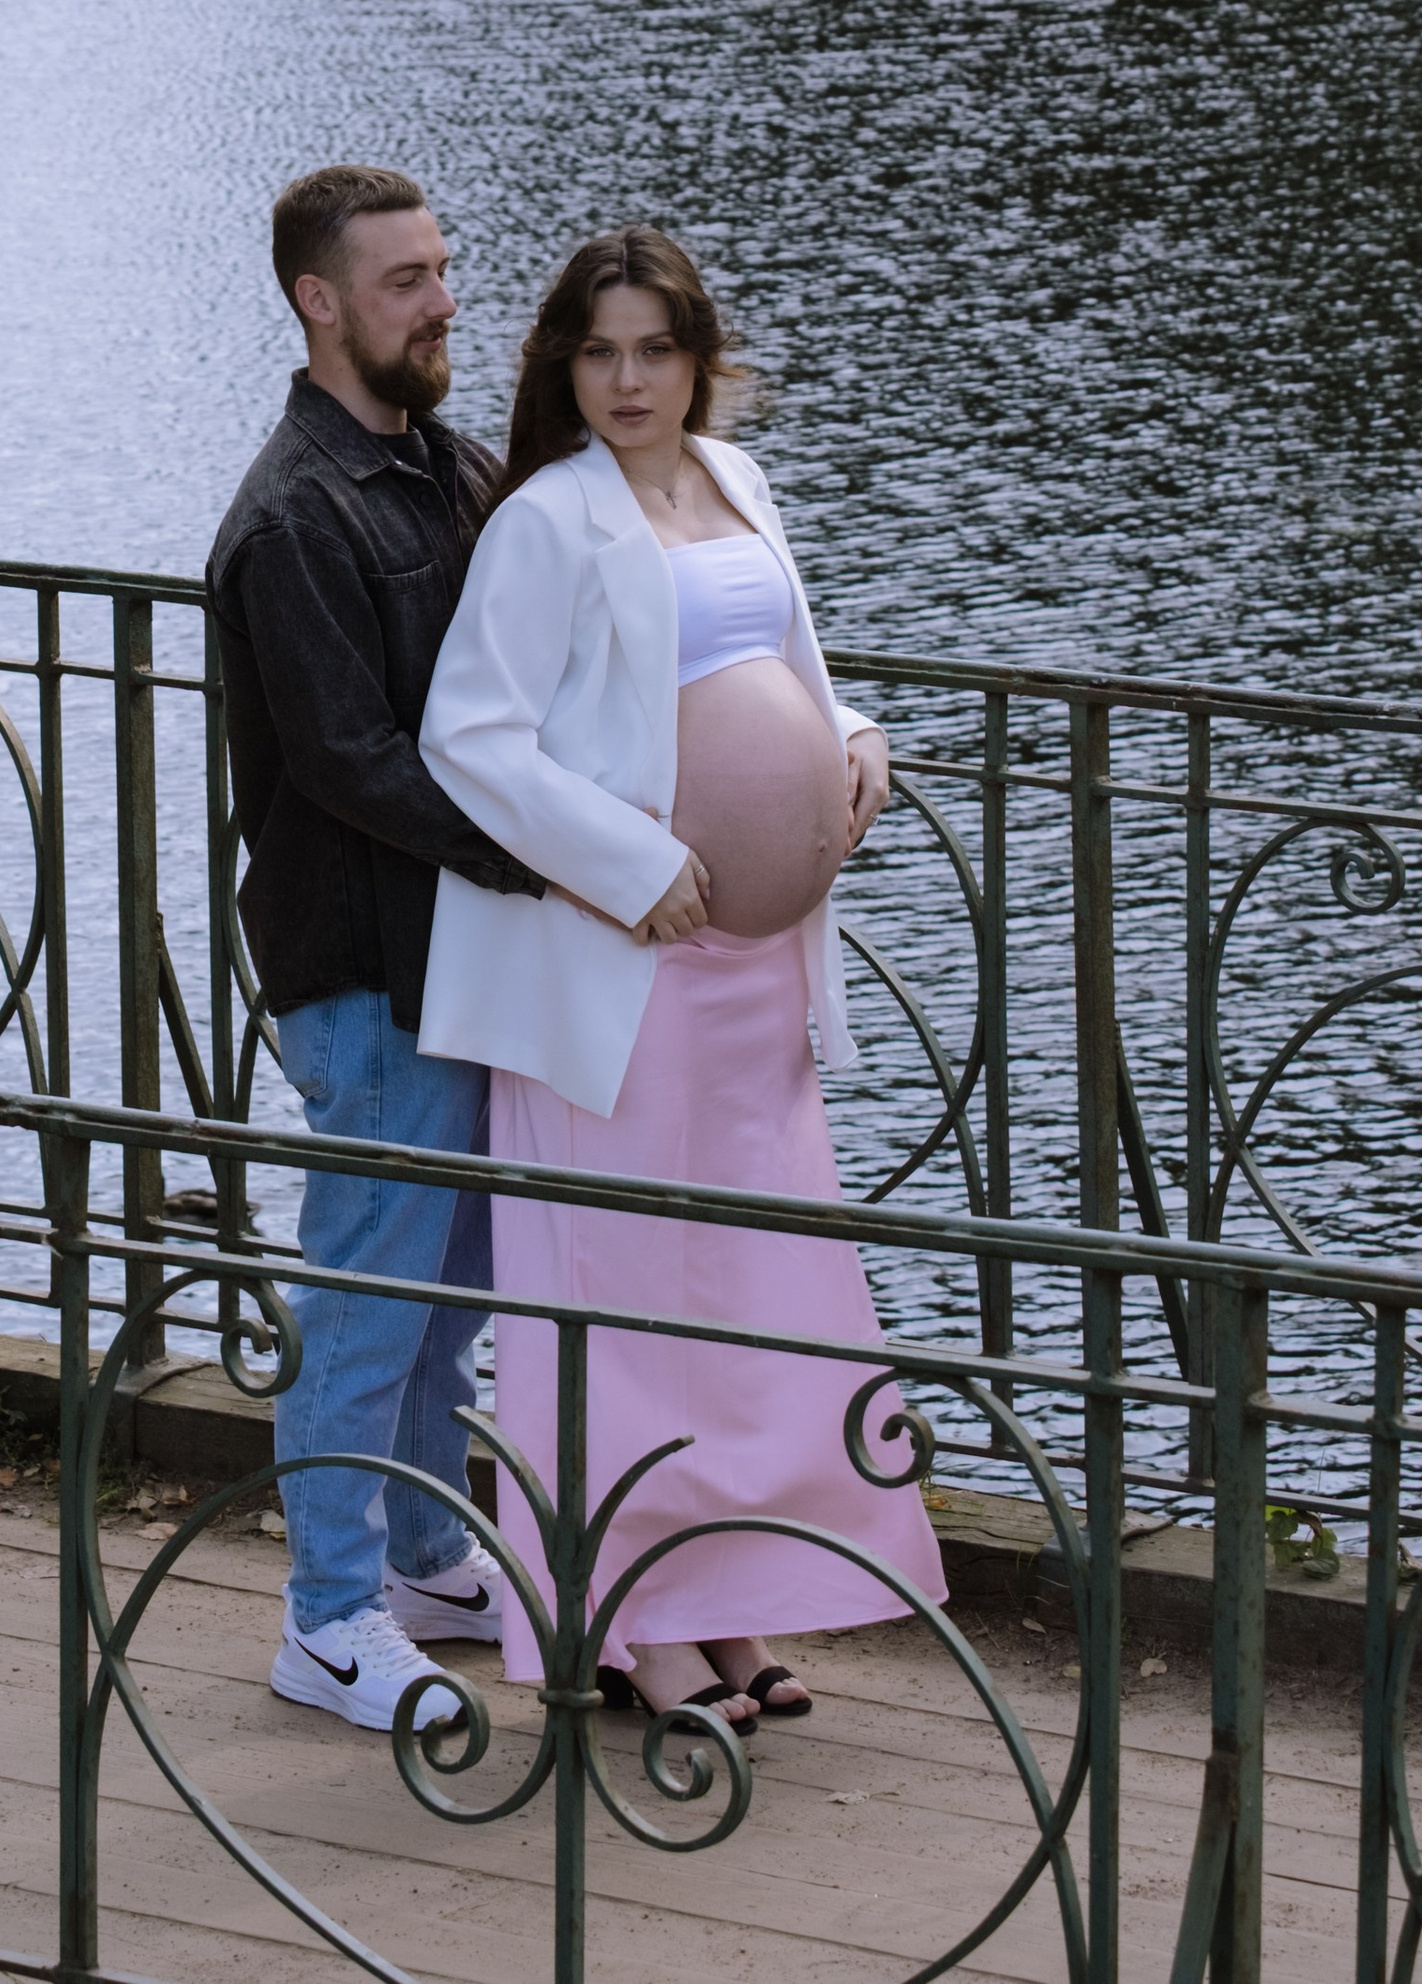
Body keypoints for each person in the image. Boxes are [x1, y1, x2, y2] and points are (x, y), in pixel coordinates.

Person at [416, 227, 942, 1736]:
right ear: (562, 367)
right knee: (617, 1290)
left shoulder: (735, 481)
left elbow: (787, 656)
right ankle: (626, 1624)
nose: (628, 380)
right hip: (620, 964)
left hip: (754, 972)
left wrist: (854, 738)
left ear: (700, 356)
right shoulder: (547, 519)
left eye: (654, 349)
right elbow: (474, 739)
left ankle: (731, 1606)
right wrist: (633, 863)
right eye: (599, 352)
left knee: (747, 1290)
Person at [208, 167, 545, 1731]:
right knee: (364, 1294)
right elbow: (347, 758)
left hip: (457, 955)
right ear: (319, 302)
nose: (442, 301)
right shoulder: (293, 517)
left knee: (445, 1291)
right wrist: (557, 853)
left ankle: (421, 1560)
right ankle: (326, 1618)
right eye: (405, 280)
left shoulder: (444, 467)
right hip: (363, 970)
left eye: (444, 269)